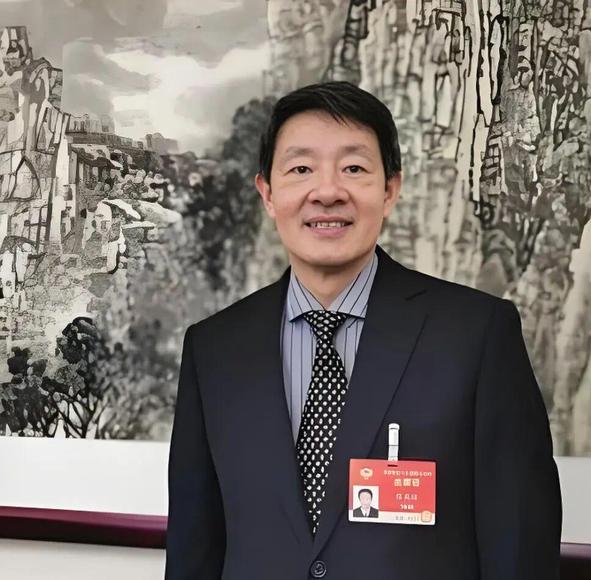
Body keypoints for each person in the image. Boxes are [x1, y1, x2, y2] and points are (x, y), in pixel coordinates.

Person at [165, 81, 562, 580]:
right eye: (301, 169)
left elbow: (520, 547)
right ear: (267, 193)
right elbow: (194, 549)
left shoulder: (477, 336)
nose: (327, 192)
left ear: (390, 190)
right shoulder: (214, 349)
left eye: (353, 168)